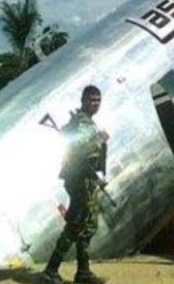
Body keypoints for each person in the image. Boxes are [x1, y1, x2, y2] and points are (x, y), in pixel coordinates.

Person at [42, 85, 109, 284]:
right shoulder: (83, 123)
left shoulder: (83, 121)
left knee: (87, 224)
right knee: (77, 224)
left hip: (84, 179)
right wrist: (99, 139)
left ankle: (83, 272)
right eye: (91, 100)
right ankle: (51, 271)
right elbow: (80, 149)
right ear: (83, 101)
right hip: (81, 180)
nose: (95, 104)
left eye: (98, 100)